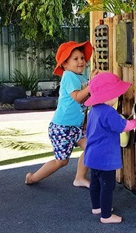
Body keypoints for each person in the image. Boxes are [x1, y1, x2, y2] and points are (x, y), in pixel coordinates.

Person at [25, 40, 97, 188]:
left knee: (92, 148)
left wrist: (93, 83)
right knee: (62, 161)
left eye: (82, 58)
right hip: (61, 128)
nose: (81, 61)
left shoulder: (83, 78)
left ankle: (79, 178)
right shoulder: (68, 76)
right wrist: (91, 86)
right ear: (65, 64)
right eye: (75, 59)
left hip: (76, 128)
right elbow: (78, 97)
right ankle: (32, 178)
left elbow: (86, 101)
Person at [83, 72, 136, 224]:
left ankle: (97, 207)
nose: (117, 98)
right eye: (116, 95)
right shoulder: (109, 112)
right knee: (107, 186)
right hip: (105, 158)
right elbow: (123, 126)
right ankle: (106, 216)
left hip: (92, 156)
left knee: (95, 183)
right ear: (109, 96)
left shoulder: (93, 111)